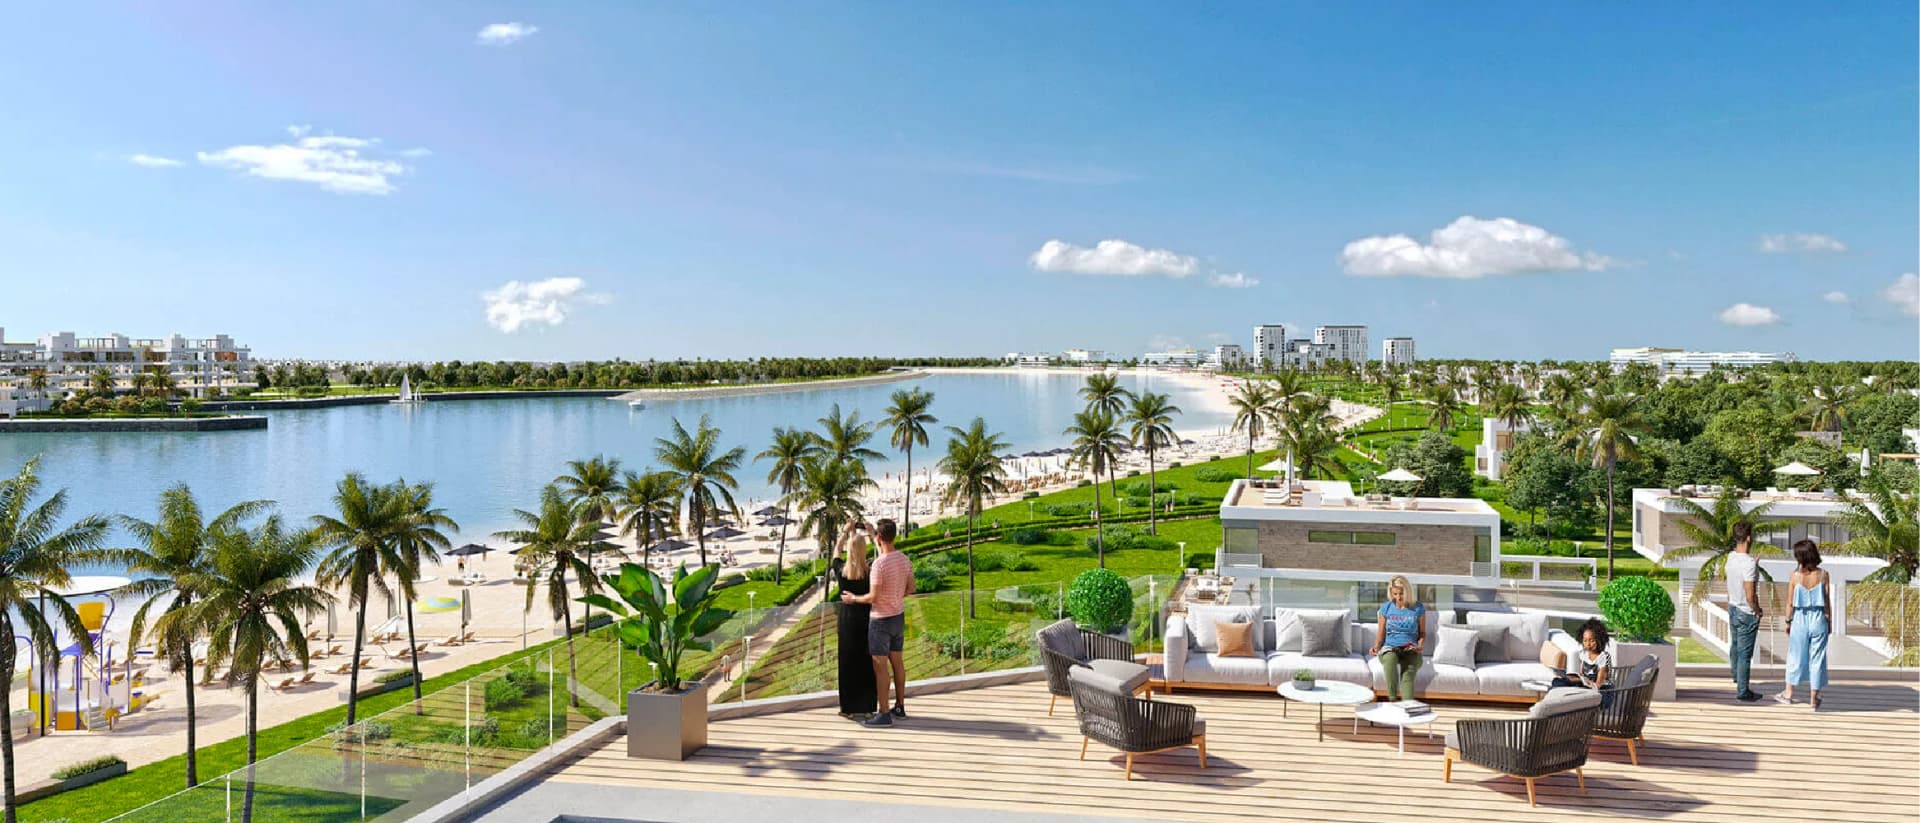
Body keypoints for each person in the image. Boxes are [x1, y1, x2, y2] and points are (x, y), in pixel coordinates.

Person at [841, 518, 913, 728]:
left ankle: (883, 714)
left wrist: (853, 599)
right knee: (898, 663)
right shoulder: (904, 559)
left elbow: (872, 596)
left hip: (880, 620)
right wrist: (895, 598)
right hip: (898, 617)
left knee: (880, 668)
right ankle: (899, 706)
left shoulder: (879, 564)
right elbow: (910, 588)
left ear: (879, 537)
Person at [1780, 539, 1831, 709]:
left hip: (1800, 619)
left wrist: (1788, 621)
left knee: (1795, 656)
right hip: (1818, 618)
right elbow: (1826, 601)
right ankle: (1813, 699)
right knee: (1817, 658)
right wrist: (1828, 620)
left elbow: (1789, 603)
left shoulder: (1795, 576)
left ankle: (1788, 694)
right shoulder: (1824, 575)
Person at [834, 529, 878, 718]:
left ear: (849, 551)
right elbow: (883, 553)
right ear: (863, 550)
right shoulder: (871, 570)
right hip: (866, 618)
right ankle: (867, 708)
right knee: (867, 662)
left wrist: (844, 531)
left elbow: (836, 550)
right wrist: (872, 533)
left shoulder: (841, 571)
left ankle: (848, 709)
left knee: (847, 663)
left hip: (847, 621)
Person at [1366, 575, 1425, 702]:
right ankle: (1392, 701)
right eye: (1395, 594)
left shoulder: (1418, 608)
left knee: (1408, 673)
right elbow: (1381, 634)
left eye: (1401, 593)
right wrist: (1376, 647)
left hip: (1410, 648)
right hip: (1390, 647)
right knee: (1390, 662)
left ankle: (1408, 705)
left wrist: (1420, 645)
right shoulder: (1386, 608)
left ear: (1408, 592)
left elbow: (1422, 633)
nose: (1398, 597)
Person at [1724, 521, 1764, 702]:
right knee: (1745, 654)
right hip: (1745, 612)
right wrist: (1758, 610)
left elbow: (1739, 570)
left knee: (1735, 646)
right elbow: (1750, 595)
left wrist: (1752, 564)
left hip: (1732, 607)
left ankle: (1736, 677)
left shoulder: (1731, 557)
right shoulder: (1748, 564)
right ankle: (1743, 691)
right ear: (1749, 538)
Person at [1555, 618, 1613, 690]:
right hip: (1586, 688)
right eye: (1585, 640)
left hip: (1602, 691)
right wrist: (1572, 678)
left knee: (1569, 689)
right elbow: (1581, 676)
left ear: (1599, 640)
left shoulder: (1603, 656)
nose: (1588, 644)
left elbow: (1598, 684)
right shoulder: (1583, 655)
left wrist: (1583, 681)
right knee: (1557, 681)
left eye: (1592, 641)